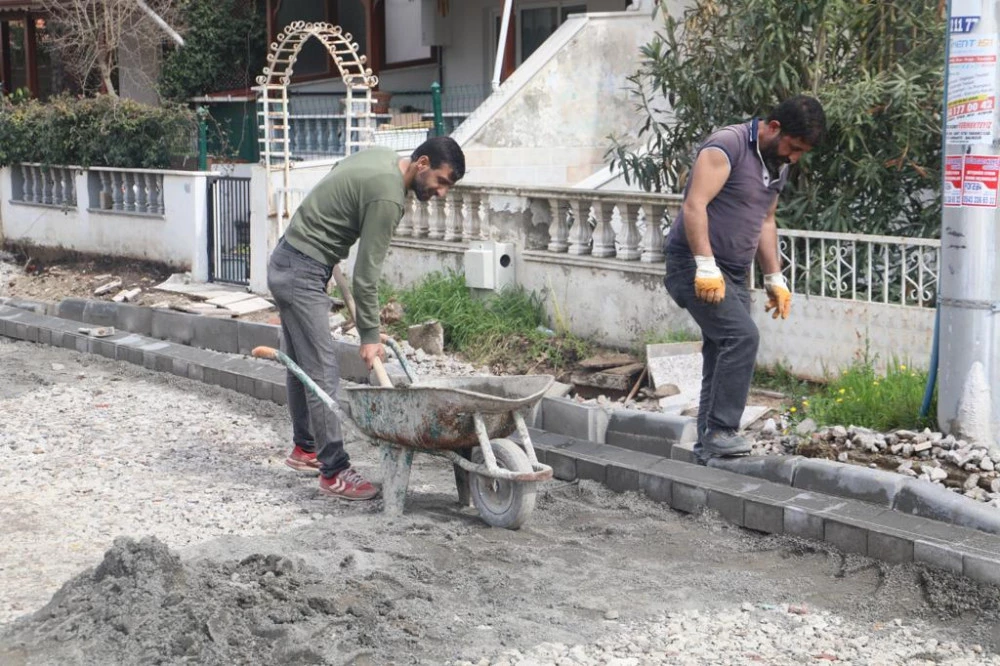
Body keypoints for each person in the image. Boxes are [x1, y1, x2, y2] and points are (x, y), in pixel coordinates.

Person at [267, 136, 465, 499]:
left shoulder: (382, 158)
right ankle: (334, 470)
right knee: (323, 369)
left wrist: (332, 231)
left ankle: (305, 448)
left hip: (291, 256)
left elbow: (337, 173)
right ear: (422, 164)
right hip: (301, 270)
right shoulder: (389, 197)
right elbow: (366, 277)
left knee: (301, 362)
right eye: (441, 182)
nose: (441, 193)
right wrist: (370, 337)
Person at [662, 96, 826, 464]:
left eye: (802, 152)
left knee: (721, 350)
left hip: (735, 271)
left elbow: (766, 221)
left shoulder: (777, 163)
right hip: (692, 262)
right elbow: (695, 205)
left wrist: (774, 277)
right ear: (774, 128)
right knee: (742, 336)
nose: (795, 157)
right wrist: (705, 265)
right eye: (794, 147)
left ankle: (709, 447)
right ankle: (722, 431)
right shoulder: (728, 146)